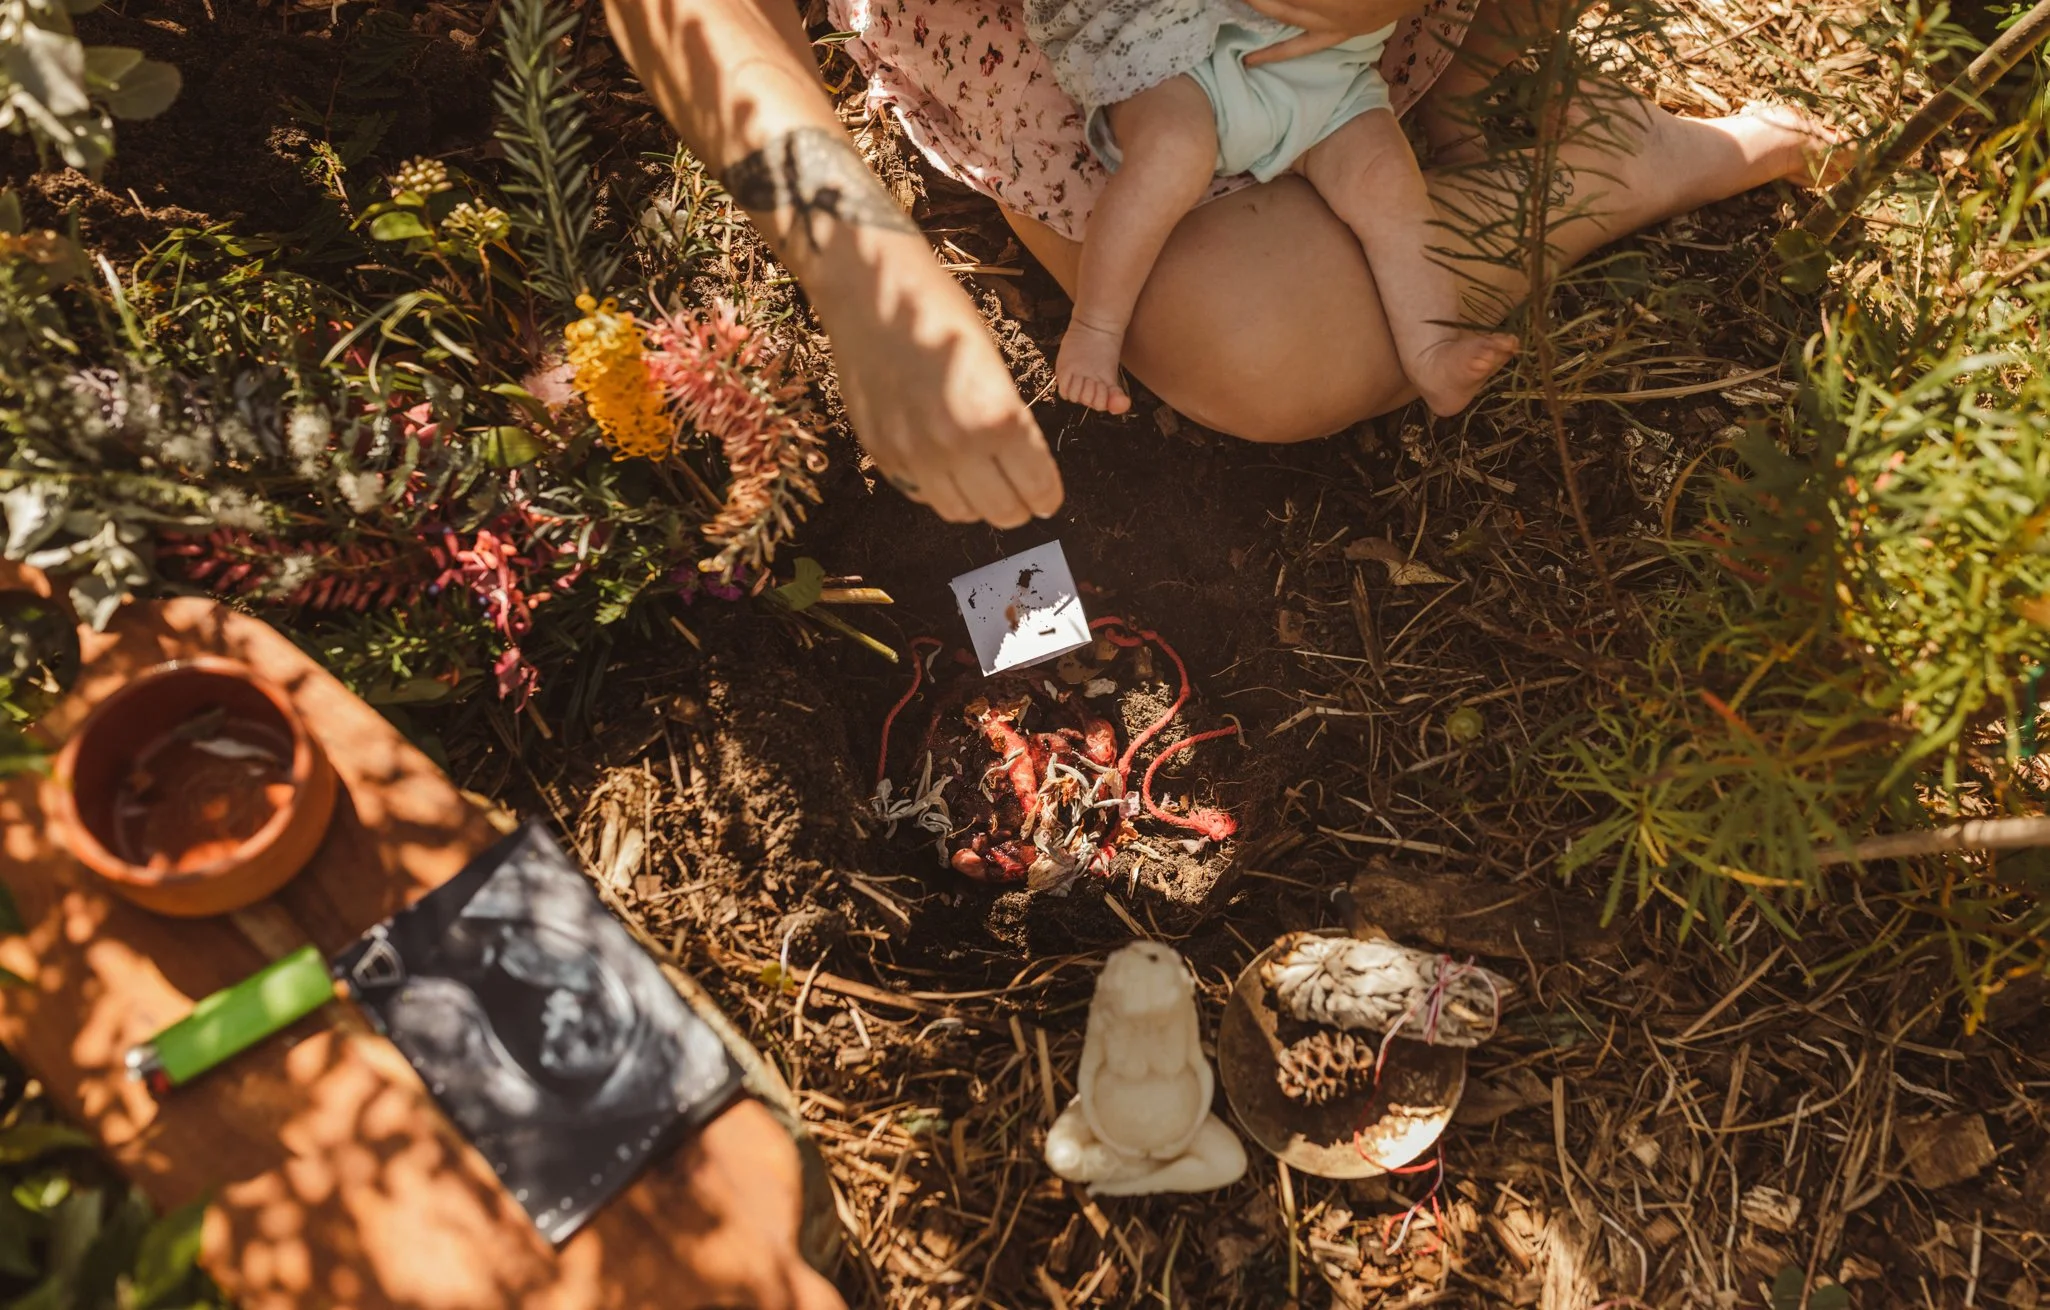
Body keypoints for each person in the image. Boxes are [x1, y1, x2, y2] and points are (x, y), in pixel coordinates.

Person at [604, 0, 1844, 536]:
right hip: (1098, 52)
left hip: (1334, 32)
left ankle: (1507, 115)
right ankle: (1570, 155)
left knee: (1327, 245)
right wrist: (854, 259)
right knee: (1266, 344)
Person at [1029, 0, 1518, 417]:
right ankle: (1097, 324)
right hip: (1176, 44)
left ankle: (1432, 351)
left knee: (1386, 182)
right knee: (1171, 152)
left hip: (1326, 70)